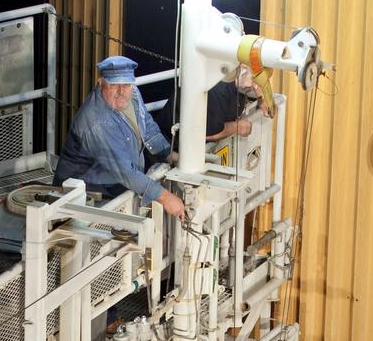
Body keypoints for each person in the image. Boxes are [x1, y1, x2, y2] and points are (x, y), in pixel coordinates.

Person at [54, 56, 185, 219]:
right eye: (114, 84)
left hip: (118, 181)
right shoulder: (99, 122)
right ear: (101, 83)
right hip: (89, 192)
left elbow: (148, 128)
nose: (122, 91)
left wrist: (169, 154)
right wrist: (166, 198)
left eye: (127, 84)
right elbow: (126, 173)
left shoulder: (133, 93)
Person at [205, 64, 275, 141]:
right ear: (243, 68)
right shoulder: (218, 92)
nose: (256, 87)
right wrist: (237, 127)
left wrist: (261, 99)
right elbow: (209, 135)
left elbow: (254, 76)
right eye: (254, 80)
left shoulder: (240, 76)